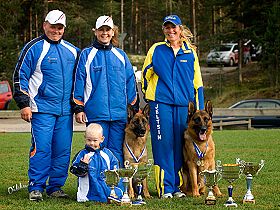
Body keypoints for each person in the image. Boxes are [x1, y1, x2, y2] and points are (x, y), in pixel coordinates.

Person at [13, 10, 80, 201]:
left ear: (64, 29)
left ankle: (55, 187)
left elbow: (79, 81)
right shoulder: (33, 48)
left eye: (60, 27)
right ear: (44, 25)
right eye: (52, 26)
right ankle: (36, 187)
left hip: (65, 112)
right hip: (41, 109)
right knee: (42, 148)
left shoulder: (73, 51)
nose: (56, 31)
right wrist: (24, 104)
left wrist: (78, 107)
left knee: (62, 150)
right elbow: (20, 76)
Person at [141, 14, 204, 199]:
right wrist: (151, 96)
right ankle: (165, 188)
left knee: (180, 145)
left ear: (180, 28)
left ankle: (179, 187)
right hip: (161, 104)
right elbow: (146, 74)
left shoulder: (190, 52)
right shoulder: (156, 49)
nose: (171, 31)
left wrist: (198, 111)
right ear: (164, 30)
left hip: (184, 106)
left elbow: (197, 83)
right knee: (163, 144)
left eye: (174, 27)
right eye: (167, 28)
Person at [72, 15, 138, 167]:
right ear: (95, 31)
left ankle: (118, 188)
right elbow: (79, 82)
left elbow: (130, 82)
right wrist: (79, 107)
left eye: (107, 30)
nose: (104, 33)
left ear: (113, 32)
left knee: (116, 152)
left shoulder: (121, 55)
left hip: (119, 114)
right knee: (96, 150)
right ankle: (96, 187)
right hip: (96, 113)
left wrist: (133, 107)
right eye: (101, 30)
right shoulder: (86, 54)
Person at [70, 123, 123, 202]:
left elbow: (115, 168)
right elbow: (74, 170)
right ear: (85, 138)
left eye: (95, 140)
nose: (91, 143)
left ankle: (110, 195)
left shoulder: (107, 154)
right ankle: (90, 196)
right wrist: (83, 165)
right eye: (89, 140)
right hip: (88, 190)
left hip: (105, 186)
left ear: (101, 139)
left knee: (114, 194)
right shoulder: (82, 154)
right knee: (88, 196)